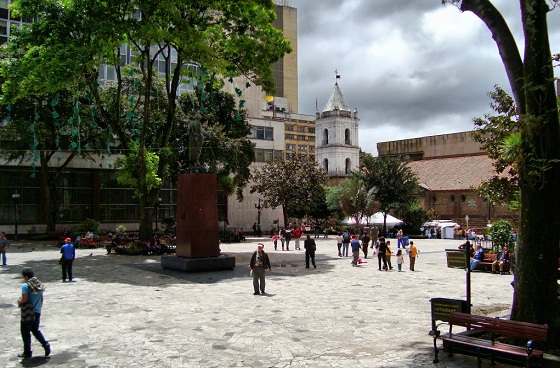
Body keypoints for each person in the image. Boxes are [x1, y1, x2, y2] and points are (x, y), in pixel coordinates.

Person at [17, 268, 50, 359]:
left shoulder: (25, 285)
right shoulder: (38, 284)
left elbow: (25, 299)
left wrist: (19, 301)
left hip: (28, 312)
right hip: (37, 311)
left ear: (26, 276)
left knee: (25, 332)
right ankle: (45, 344)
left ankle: (27, 352)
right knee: (35, 330)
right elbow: (41, 298)